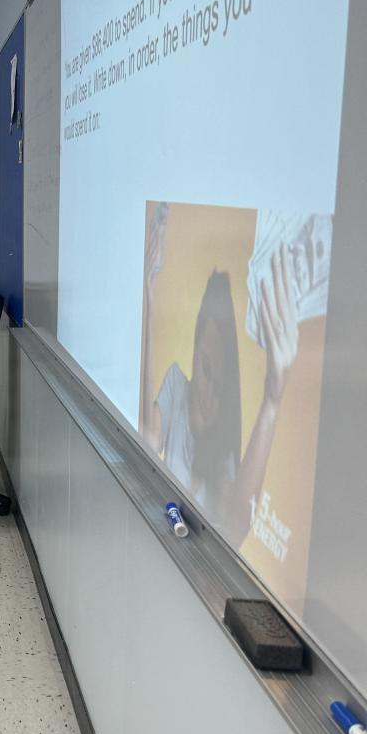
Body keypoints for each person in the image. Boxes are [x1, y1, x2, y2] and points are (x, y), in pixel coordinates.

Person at [140, 208, 298, 546]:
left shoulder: (222, 450)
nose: (207, 393)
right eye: (204, 368)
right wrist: (149, 297)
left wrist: (272, 400)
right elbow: (150, 440)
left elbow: (237, 526)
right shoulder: (176, 384)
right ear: (193, 354)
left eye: (219, 385)